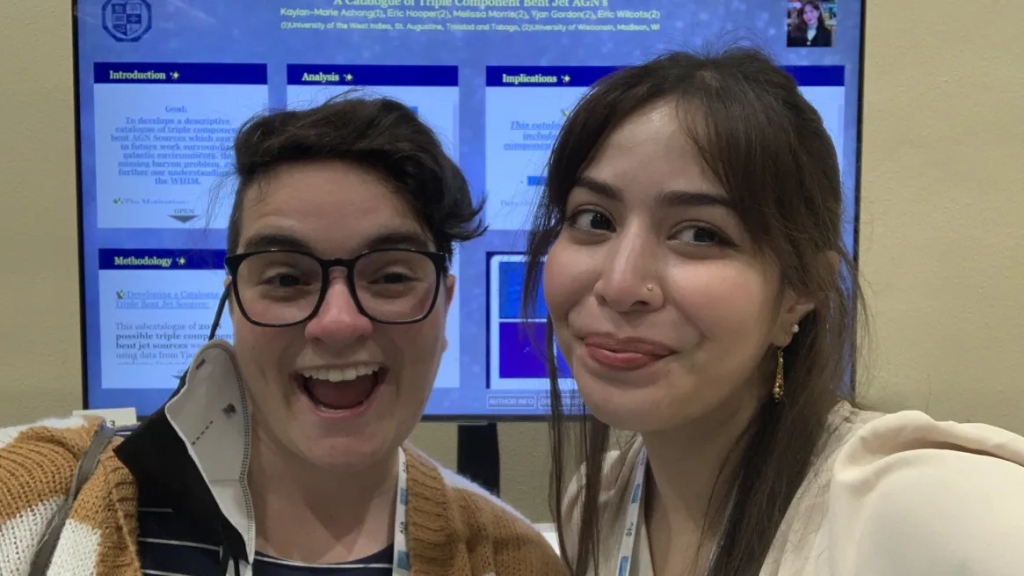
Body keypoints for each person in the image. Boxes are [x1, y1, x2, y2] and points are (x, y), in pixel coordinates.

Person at [0, 95, 565, 575]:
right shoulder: (42, 490)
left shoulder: (513, 559)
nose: (338, 323)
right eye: (287, 277)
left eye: (391, 275)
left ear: (443, 305)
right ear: (236, 304)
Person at [521, 48, 1024, 576]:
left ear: (799, 290)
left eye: (700, 234)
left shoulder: (912, 506)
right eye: (595, 219)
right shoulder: (596, 504)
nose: (621, 285)